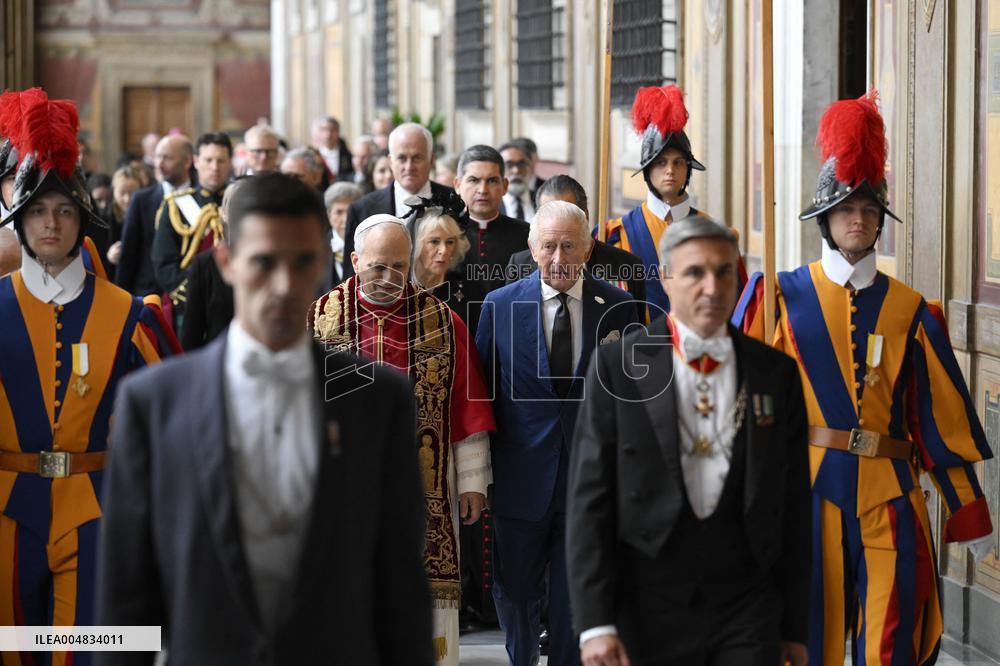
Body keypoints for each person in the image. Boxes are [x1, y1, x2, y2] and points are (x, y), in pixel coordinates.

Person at [97, 173, 432, 665]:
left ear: (324, 263)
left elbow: (400, 585)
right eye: (263, 262)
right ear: (227, 263)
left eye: (301, 263)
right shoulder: (154, 404)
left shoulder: (379, 400)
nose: (283, 284)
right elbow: (126, 595)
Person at [733, 91, 995, 666]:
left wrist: (967, 510)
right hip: (806, 494)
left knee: (891, 642)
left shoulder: (914, 312)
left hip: (894, 498)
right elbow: (741, 407)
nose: (859, 217)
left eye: (869, 209)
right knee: (808, 640)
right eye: (847, 207)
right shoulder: (775, 299)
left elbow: (938, 421)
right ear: (824, 217)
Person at [569, 215, 811, 666]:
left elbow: (794, 507)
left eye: (724, 272)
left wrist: (795, 627)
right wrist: (595, 623)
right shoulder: (619, 365)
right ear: (665, 277)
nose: (712, 288)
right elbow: (590, 499)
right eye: (695, 272)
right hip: (647, 597)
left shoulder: (774, 373)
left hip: (747, 601)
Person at [0, 91, 176, 666]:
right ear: (20, 223)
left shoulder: (130, 314)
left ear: (84, 219)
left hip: (99, 509)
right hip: (4, 511)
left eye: (64, 210)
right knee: (12, 648)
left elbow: (166, 426)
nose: (51, 223)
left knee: (89, 651)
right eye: (37, 212)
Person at [311, 213, 495, 665]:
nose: (390, 277)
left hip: (421, 488)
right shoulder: (318, 318)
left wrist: (472, 481)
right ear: (355, 260)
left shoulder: (441, 320)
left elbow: (464, 403)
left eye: (399, 265)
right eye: (378, 266)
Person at [475, 200, 637, 666]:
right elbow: (482, 397)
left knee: (574, 601)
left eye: (570, 246)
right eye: (548, 246)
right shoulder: (499, 306)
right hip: (519, 480)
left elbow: (632, 402)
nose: (559, 257)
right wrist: (478, 477)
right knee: (517, 591)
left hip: (589, 485)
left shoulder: (621, 309)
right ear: (531, 248)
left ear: (588, 250)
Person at [604, 85, 744, 317]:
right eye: (661, 162)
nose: (670, 170)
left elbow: (735, 308)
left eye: (678, 162)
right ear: (648, 170)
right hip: (639, 349)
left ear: (688, 169)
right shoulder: (616, 235)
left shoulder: (715, 234)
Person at [506, 174, 647, 319]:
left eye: (567, 213)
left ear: (585, 216)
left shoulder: (626, 265)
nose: (558, 222)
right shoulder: (519, 264)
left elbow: (634, 333)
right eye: (548, 214)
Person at [341, 123, 454, 279]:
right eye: (402, 158)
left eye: (417, 158)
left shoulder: (454, 203)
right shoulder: (362, 209)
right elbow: (350, 278)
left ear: (431, 159)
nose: (409, 166)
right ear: (390, 161)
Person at [151, 132, 232, 327]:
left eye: (221, 160)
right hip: (189, 308)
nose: (215, 167)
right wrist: (201, 295)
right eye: (209, 160)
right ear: (195, 161)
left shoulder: (241, 203)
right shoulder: (176, 206)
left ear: (230, 162)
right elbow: (164, 268)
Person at [451, 144, 529, 337]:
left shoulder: (526, 234)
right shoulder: (443, 234)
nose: (483, 190)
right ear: (457, 185)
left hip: (509, 336)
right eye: (474, 180)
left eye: (492, 181)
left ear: (504, 186)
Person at [116, 134, 194, 296]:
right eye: (158, 157)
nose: (159, 163)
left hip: (190, 295)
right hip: (147, 297)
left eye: (167, 158)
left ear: (187, 161)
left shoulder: (200, 199)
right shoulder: (142, 200)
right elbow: (128, 255)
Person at [180, 180, 243, 350]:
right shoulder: (205, 264)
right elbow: (191, 333)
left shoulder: (275, 260)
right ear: (224, 213)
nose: (242, 211)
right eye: (236, 203)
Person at [412, 210, 471, 312]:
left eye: (450, 242)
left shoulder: (466, 290)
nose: (443, 250)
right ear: (417, 245)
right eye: (434, 241)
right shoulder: (399, 288)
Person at [99, 165, 143, 274]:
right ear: (113, 192)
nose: (127, 199)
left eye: (132, 193)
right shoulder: (104, 218)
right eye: (122, 193)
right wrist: (109, 255)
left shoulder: (147, 214)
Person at [323, 181, 364, 286]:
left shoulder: (368, 245)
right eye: (339, 212)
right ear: (329, 215)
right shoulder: (317, 246)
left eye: (350, 212)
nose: (346, 219)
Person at [499, 138, 545, 221]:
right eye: (509, 165)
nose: (516, 170)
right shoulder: (490, 205)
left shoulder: (543, 201)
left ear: (530, 167)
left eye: (522, 164)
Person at [312, 115, 353, 181]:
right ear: (319, 132)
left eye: (332, 130)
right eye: (324, 130)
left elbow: (348, 173)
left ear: (338, 132)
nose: (328, 134)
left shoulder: (346, 156)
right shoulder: (314, 155)